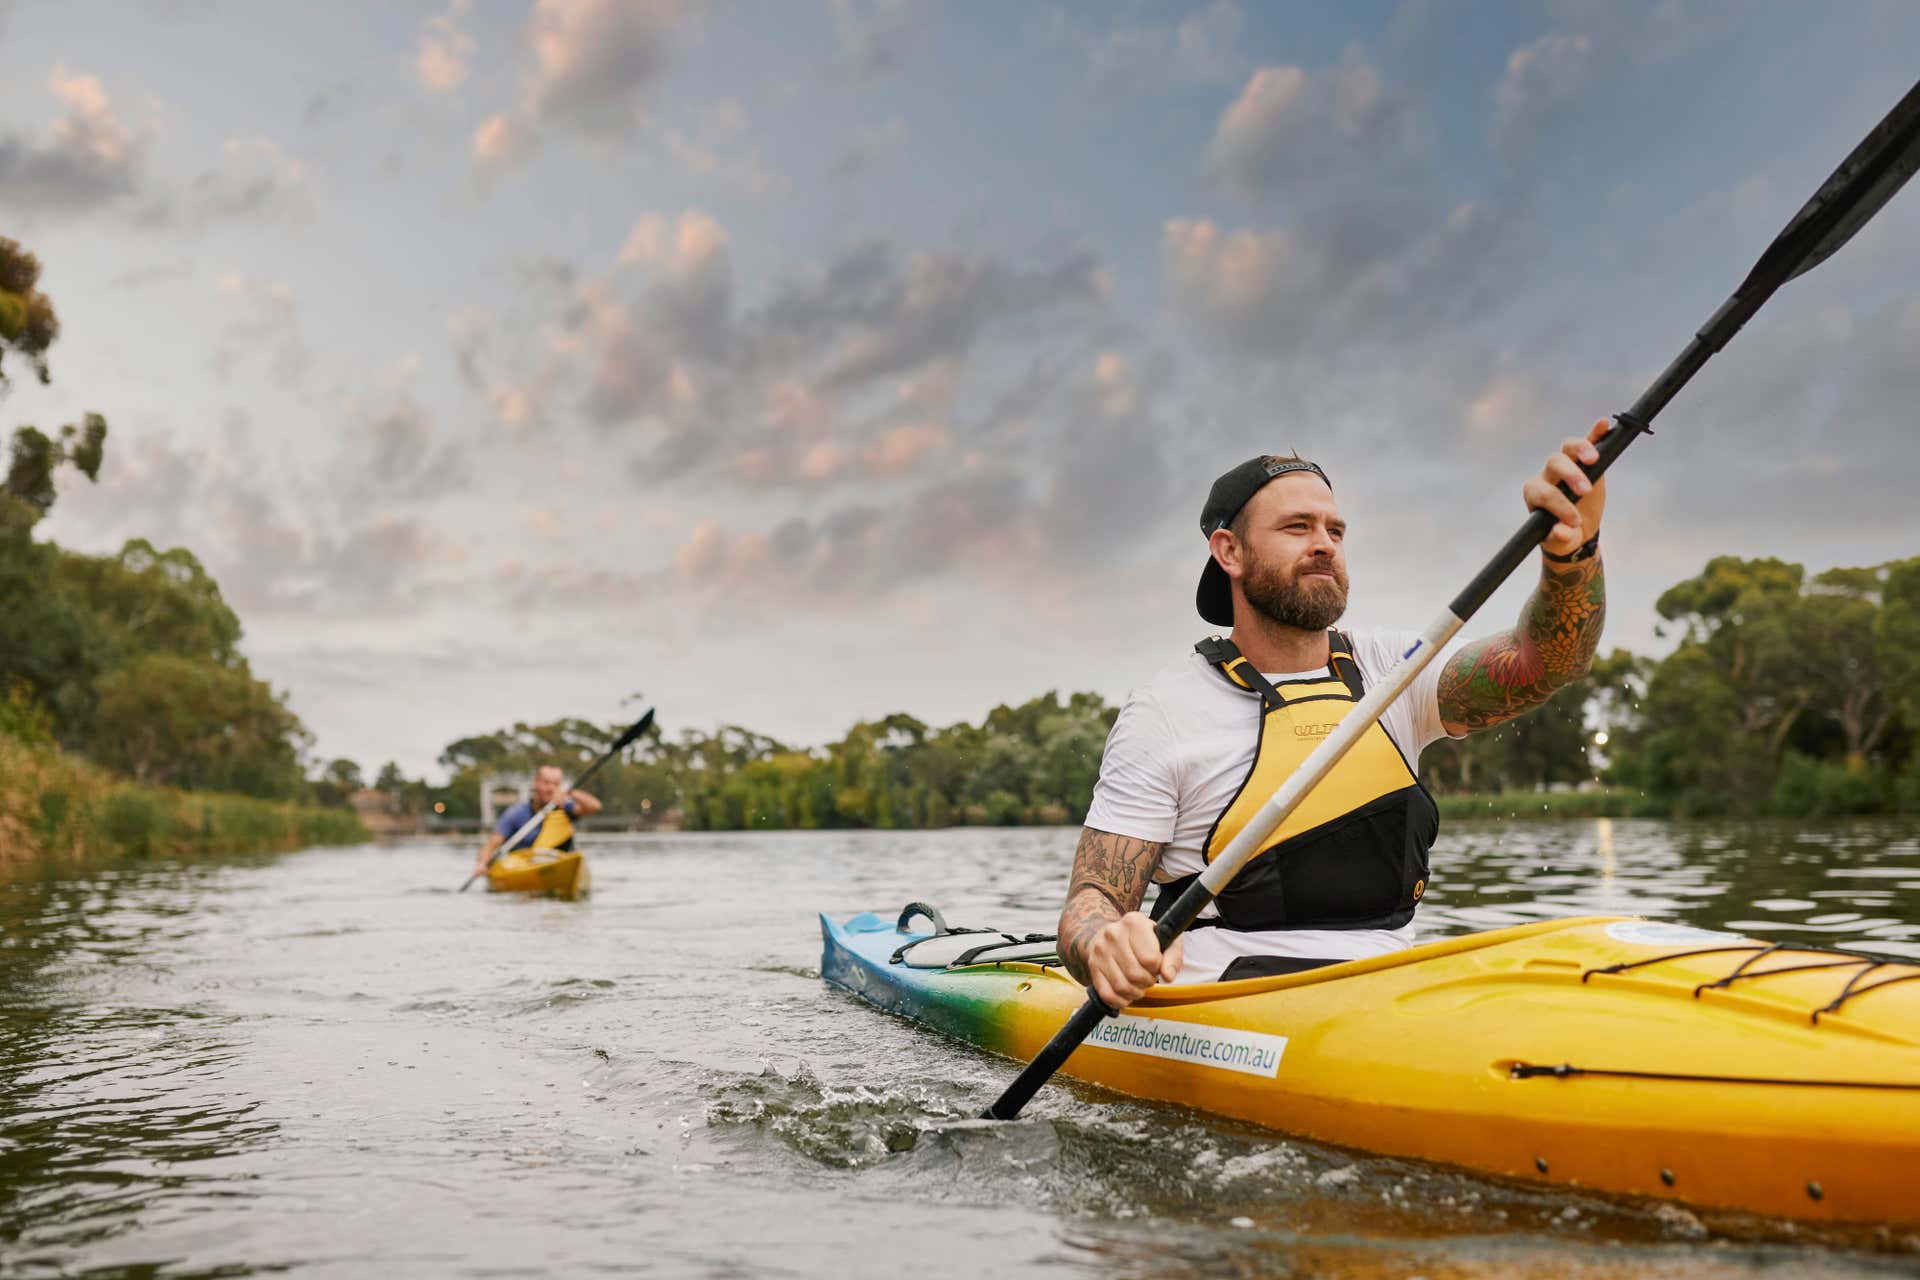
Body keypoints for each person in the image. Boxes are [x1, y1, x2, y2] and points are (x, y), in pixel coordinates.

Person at [1059, 423, 1610, 1009]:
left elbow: (1545, 662)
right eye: (1297, 527)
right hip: (1225, 1009)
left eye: (1335, 530)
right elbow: (1091, 901)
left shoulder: (1393, 670)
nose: (1324, 542)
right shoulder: (1165, 712)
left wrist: (1572, 553)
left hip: (1391, 993)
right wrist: (1104, 945)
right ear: (1229, 551)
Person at [471, 764, 603, 876]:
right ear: (536, 783)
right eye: (546, 783)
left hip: (559, 864)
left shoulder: (565, 808)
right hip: (524, 868)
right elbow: (492, 843)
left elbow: (595, 807)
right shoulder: (516, 813)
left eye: (555, 784)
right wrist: (482, 864)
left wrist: (570, 792)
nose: (550, 788)